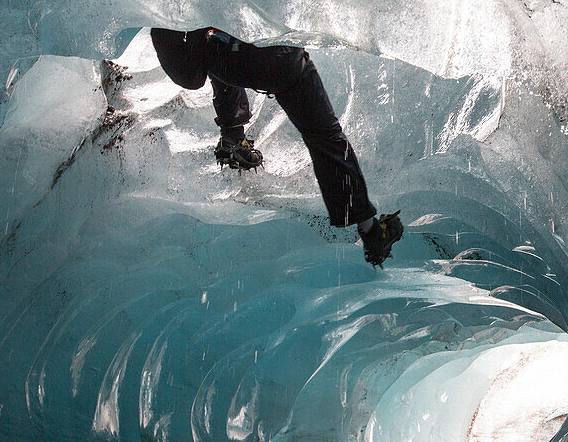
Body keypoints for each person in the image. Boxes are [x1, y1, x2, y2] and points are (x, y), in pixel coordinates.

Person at [149, 27, 403, 266]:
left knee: (218, 46)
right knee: (325, 137)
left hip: (227, 60)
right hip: (279, 63)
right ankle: (370, 231)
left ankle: (232, 135)